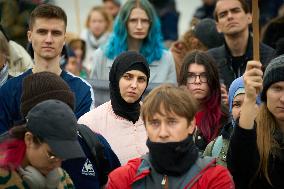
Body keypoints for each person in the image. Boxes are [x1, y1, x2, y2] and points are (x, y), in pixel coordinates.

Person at [106, 84, 235, 189]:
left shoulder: (214, 178)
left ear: (191, 125)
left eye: (172, 122)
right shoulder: (124, 178)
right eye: (155, 123)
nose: (163, 132)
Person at [0, 4, 95, 134]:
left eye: (56, 33)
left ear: (64, 39)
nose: (49, 39)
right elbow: (4, 146)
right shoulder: (8, 89)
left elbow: (82, 142)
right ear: (29, 36)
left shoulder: (82, 89)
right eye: (42, 32)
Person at [20, 71, 120, 189]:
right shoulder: (8, 168)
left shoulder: (93, 144)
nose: (57, 162)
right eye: (47, 112)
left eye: (63, 110)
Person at [79, 51, 150, 165]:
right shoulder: (90, 122)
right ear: (115, 78)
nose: (134, 85)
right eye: (127, 77)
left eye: (141, 79)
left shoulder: (154, 116)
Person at [0, 99, 86, 189]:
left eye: (63, 156)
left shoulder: (62, 178)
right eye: (51, 155)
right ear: (29, 139)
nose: (57, 165)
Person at [227, 56, 284, 188]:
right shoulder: (252, 132)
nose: (283, 98)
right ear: (265, 94)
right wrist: (250, 97)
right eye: (277, 88)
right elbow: (239, 168)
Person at [89, 0, 177, 84]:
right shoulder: (101, 56)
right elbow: (94, 95)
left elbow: (171, 97)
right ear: (123, 23)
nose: (139, 26)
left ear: (151, 24)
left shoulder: (166, 59)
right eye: (133, 20)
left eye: (144, 21)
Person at [207, 0, 275, 89]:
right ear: (218, 26)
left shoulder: (270, 57)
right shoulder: (210, 60)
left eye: (235, 11)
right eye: (223, 14)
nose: (230, 16)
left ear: (249, 17)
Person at [203, 76, 261, 167]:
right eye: (237, 104)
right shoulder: (214, 148)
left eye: (250, 103)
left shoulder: (273, 147)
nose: (243, 111)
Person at [178, 51, 229, 151]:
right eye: (191, 76)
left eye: (204, 75)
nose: (197, 81)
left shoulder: (224, 117)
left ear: (212, 79)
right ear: (184, 80)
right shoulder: (174, 114)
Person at [80, 6, 113, 74]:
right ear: (88, 23)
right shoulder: (83, 37)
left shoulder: (111, 40)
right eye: (94, 21)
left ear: (107, 23)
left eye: (100, 21)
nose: (97, 25)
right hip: (84, 73)